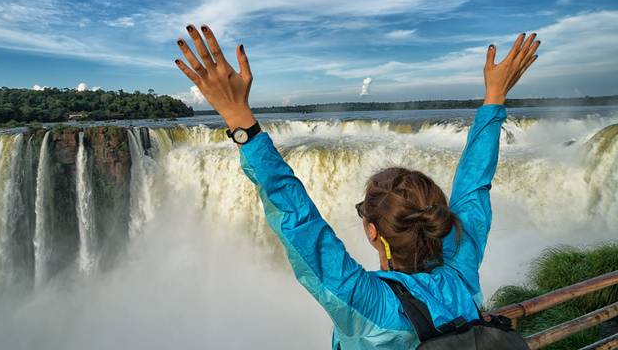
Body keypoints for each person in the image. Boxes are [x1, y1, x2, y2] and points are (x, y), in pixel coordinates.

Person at [175, 24, 540, 349]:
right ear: (440, 219)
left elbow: (299, 221)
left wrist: (238, 117)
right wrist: (495, 98)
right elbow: (474, 185)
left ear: (372, 232)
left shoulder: (367, 302)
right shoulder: (462, 272)